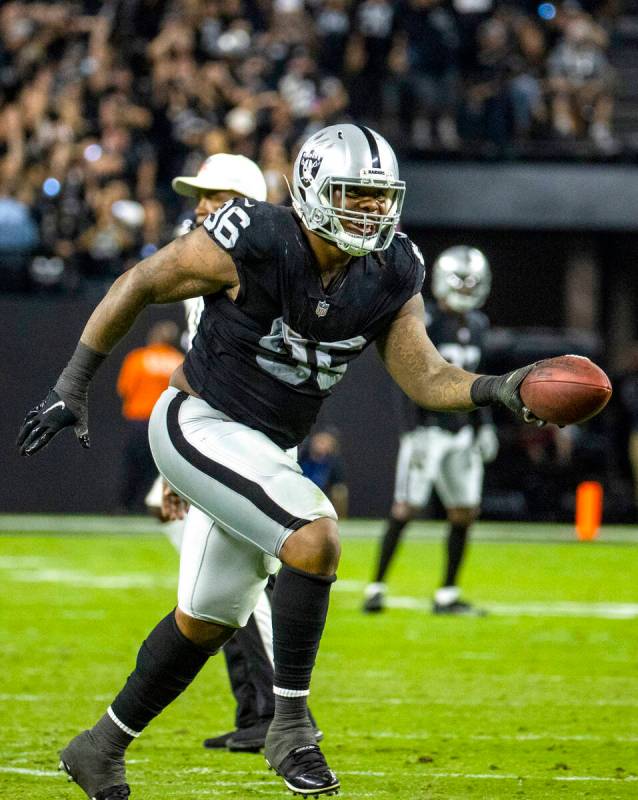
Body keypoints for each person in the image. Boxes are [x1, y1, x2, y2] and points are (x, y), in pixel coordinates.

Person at [17, 123, 545, 799]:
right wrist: (72, 385)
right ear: (312, 191)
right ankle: (290, 727)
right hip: (198, 421)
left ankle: (100, 747)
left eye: (382, 198)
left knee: (207, 619)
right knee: (316, 535)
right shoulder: (256, 236)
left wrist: (498, 389)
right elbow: (142, 280)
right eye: (355, 195)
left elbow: (426, 374)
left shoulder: (393, 269)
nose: (372, 212)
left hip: (266, 446)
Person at [145, 152, 320, 753]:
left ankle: (275, 708)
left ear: (243, 202)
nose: (199, 207)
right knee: (224, 574)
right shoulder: (240, 250)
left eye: (213, 195)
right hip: (229, 424)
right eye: (198, 194)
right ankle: (258, 706)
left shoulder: (251, 254)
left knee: (238, 577)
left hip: (239, 429)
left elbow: (215, 351)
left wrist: (185, 471)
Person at [363, 246, 498, 616]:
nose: (468, 289)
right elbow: (408, 379)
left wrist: (484, 425)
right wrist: (411, 432)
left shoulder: (480, 325)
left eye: (474, 282)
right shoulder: (427, 320)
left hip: (463, 433)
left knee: (464, 511)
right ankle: (376, 587)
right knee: (405, 507)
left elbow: (478, 381)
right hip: (429, 431)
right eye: (462, 281)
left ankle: (448, 593)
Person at [116, 320, 184, 511]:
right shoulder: (178, 360)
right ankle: (156, 506)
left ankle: (126, 505)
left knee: (134, 464)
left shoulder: (138, 358)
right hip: (165, 421)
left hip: (139, 419)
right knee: (161, 467)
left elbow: (124, 389)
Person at [299, 428, 348, 518]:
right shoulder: (302, 457)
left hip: (322, 496)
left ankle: (336, 518)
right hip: (301, 491)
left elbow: (339, 485)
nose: (320, 445)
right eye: (319, 441)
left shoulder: (334, 463)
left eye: (324, 443)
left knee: (340, 491)